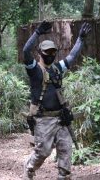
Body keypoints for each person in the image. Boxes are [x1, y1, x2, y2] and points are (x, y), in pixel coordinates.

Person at [22, 20, 91, 180]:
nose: (50, 55)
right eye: (47, 52)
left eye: (53, 52)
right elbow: (25, 51)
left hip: (60, 118)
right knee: (43, 152)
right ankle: (29, 167)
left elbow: (72, 56)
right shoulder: (34, 69)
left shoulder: (57, 69)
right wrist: (37, 33)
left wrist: (80, 39)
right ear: (40, 52)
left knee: (66, 148)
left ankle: (63, 176)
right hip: (42, 119)